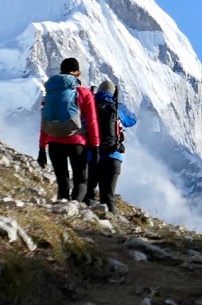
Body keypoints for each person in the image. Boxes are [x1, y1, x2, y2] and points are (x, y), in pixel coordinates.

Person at [37, 58, 99, 202]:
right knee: (81, 181)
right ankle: (74, 209)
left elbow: (45, 119)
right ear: (77, 72)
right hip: (76, 143)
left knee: (62, 183)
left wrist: (42, 148)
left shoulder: (51, 92)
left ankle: (62, 213)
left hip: (54, 143)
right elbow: (92, 121)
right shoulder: (83, 93)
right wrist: (95, 145)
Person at [83, 79, 136, 212]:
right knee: (108, 197)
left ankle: (87, 221)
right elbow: (132, 120)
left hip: (92, 156)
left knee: (88, 193)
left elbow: (82, 123)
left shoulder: (91, 104)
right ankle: (110, 228)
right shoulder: (117, 106)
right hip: (113, 157)